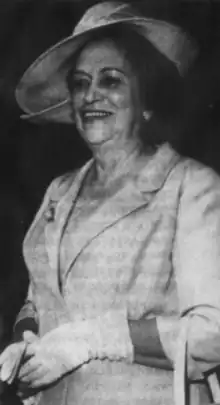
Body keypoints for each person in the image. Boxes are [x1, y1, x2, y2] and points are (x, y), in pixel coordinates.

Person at [1, 2, 220, 404]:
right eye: (81, 83)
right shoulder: (60, 192)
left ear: (148, 99)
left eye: (111, 80)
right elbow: (36, 299)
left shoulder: (192, 188)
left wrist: (94, 339)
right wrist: (26, 341)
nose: (90, 95)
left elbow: (213, 332)